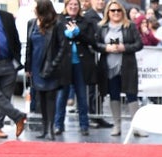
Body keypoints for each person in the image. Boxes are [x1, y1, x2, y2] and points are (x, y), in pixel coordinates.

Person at [94, 1, 143, 137]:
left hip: (127, 66)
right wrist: (106, 48)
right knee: (113, 95)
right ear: (108, 12)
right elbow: (95, 44)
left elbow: (139, 44)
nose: (116, 13)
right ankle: (117, 125)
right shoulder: (101, 27)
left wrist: (124, 48)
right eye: (112, 10)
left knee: (131, 95)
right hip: (109, 67)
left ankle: (137, 127)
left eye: (118, 10)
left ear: (123, 12)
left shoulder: (130, 26)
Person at [25, 0, 68, 140]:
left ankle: (51, 129)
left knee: (50, 98)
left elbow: (63, 46)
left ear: (42, 8)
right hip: (36, 67)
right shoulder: (31, 23)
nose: (34, 8)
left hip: (50, 66)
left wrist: (54, 64)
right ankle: (44, 128)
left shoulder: (57, 24)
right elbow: (29, 47)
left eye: (36, 6)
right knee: (40, 99)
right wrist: (28, 66)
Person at [54, 0, 96, 136]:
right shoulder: (59, 20)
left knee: (82, 96)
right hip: (64, 63)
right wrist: (66, 35)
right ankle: (58, 124)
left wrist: (78, 33)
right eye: (70, 5)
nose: (73, 7)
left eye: (75, 5)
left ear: (79, 7)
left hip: (80, 63)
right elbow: (54, 39)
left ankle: (84, 125)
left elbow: (91, 40)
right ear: (66, 6)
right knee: (62, 96)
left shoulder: (85, 21)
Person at [0, 8, 27, 139]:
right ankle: (18, 116)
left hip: (8, 63)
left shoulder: (6, 17)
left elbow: (15, 39)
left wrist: (17, 59)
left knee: (5, 96)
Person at [83, 0, 113, 128]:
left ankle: (98, 115)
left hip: (102, 56)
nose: (101, 2)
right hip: (92, 56)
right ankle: (92, 116)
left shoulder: (105, 15)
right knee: (91, 90)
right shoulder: (88, 16)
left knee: (100, 89)